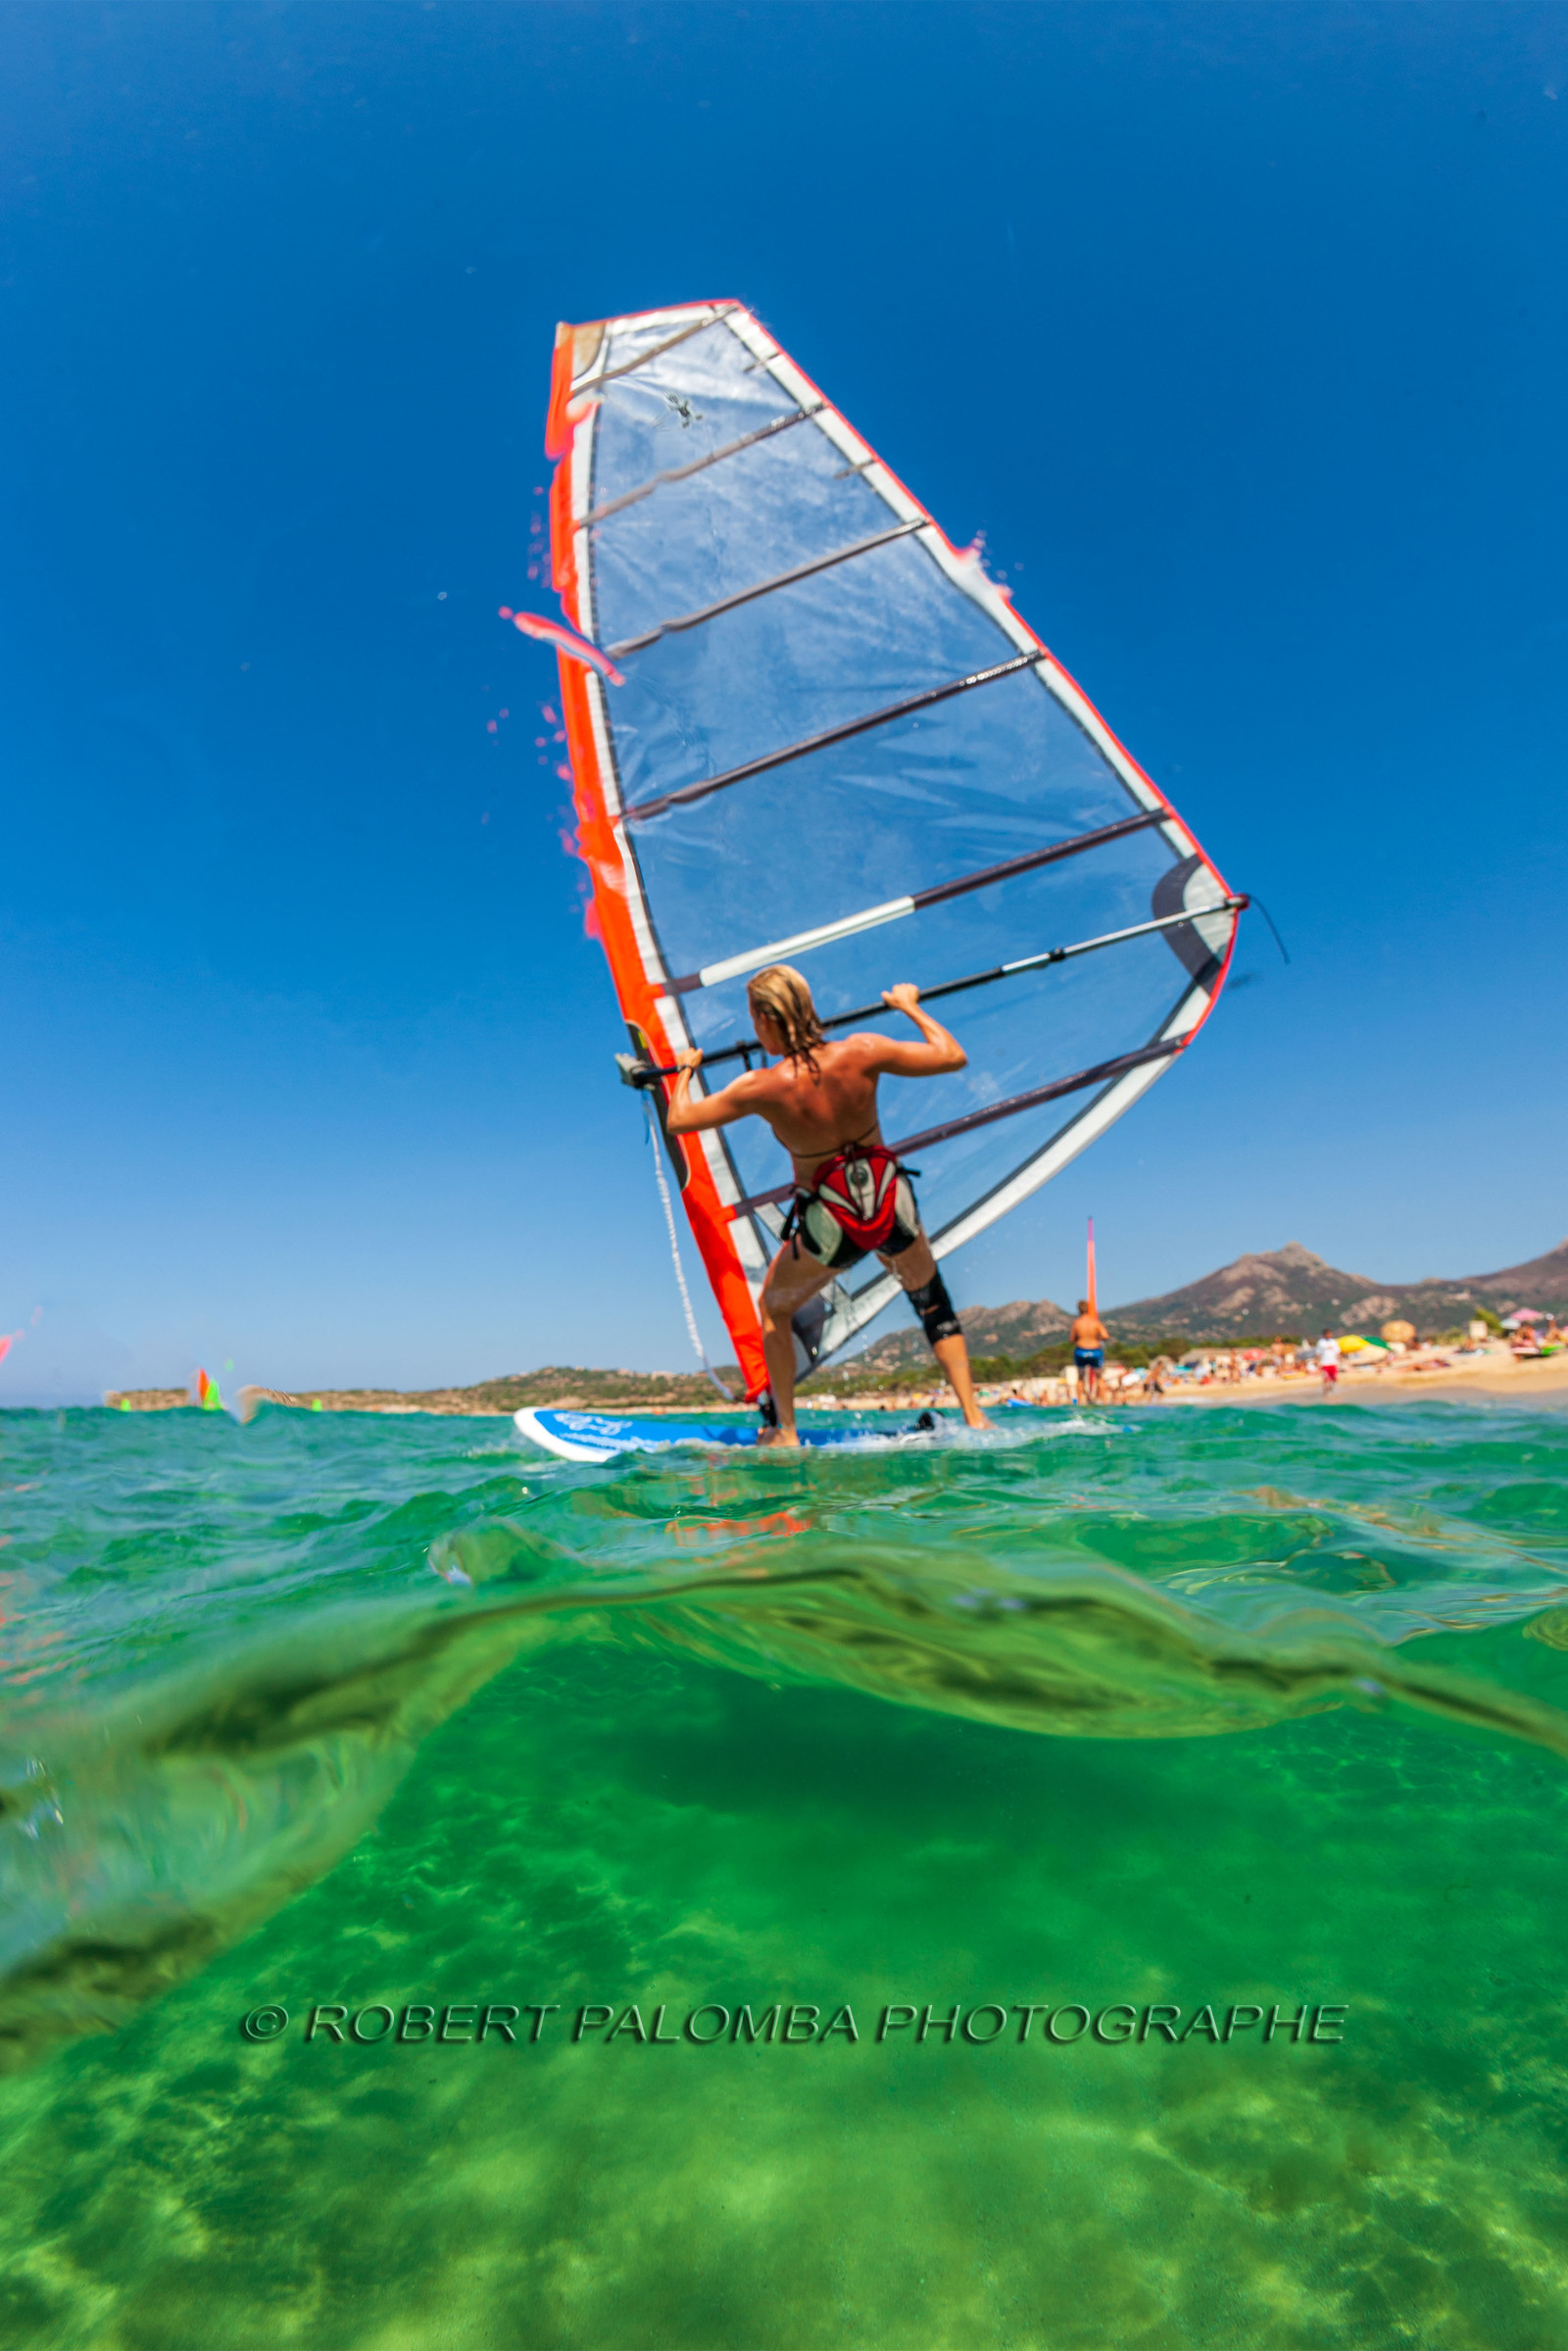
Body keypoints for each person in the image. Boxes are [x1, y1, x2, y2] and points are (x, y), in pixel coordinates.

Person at [664, 964, 991, 1446]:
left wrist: (687, 1069)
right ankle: (975, 1417)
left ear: (765, 1018)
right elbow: (952, 1056)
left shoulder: (763, 1086)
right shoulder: (862, 1051)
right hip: (890, 1199)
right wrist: (908, 1006)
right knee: (930, 1299)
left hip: (832, 1219)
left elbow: (680, 1120)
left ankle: (787, 1432)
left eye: (755, 1021)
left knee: (774, 1308)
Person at [1068, 1298, 1108, 1403]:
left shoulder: (1077, 1323)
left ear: (1079, 1310)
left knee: (1080, 1378)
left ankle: (1080, 1403)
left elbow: (1071, 1339)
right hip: (1095, 1350)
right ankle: (1104, 1402)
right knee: (1099, 1377)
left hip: (1081, 1350)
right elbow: (1105, 1336)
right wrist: (1096, 1338)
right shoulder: (1095, 1322)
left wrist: (1081, 1338)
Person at [1317, 1327, 1341, 1395]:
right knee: (1326, 1378)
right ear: (1324, 1335)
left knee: (1334, 1378)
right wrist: (1317, 1362)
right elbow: (1318, 1353)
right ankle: (1325, 1391)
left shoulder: (1334, 1342)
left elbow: (1338, 1351)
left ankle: (1331, 1388)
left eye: (1330, 1334)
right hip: (1324, 1363)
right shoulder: (1320, 1342)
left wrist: (1340, 1359)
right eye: (1327, 1334)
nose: (1329, 1335)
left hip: (1333, 1362)